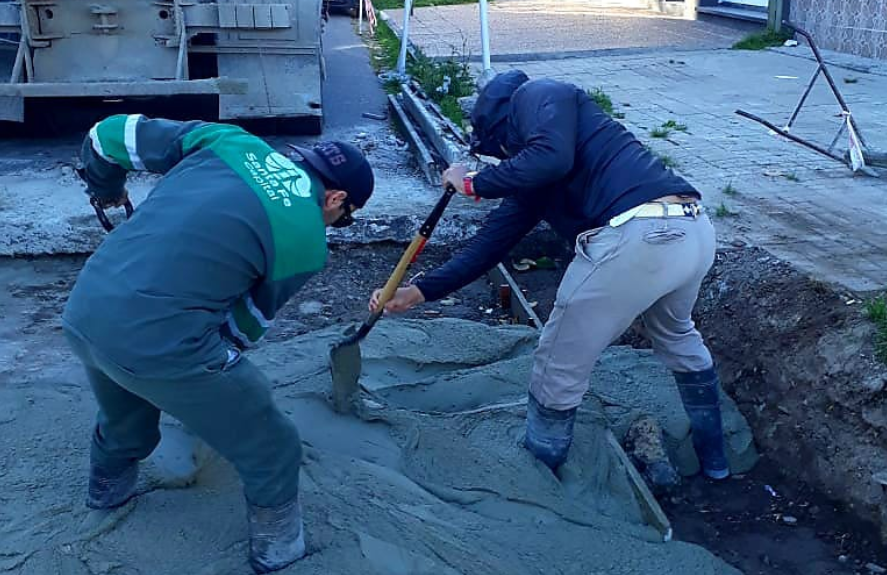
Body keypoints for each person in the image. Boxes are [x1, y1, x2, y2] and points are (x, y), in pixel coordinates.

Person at [370, 70, 729, 483]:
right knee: (678, 336)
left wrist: (472, 183)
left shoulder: (539, 94)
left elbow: (548, 156)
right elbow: (491, 243)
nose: (505, 159)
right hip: (693, 232)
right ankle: (717, 464)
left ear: (505, 125)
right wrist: (419, 292)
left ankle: (541, 472)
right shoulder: (546, 174)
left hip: (639, 235)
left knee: (557, 362)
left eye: (502, 151)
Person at [63, 114, 374, 574]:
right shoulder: (307, 237)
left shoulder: (228, 141)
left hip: (85, 311)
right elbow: (242, 327)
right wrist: (205, 392)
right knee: (273, 446)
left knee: (128, 421)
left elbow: (106, 135)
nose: (333, 226)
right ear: (336, 198)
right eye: (341, 221)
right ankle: (279, 555)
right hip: (159, 344)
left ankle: (105, 495)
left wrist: (106, 189)